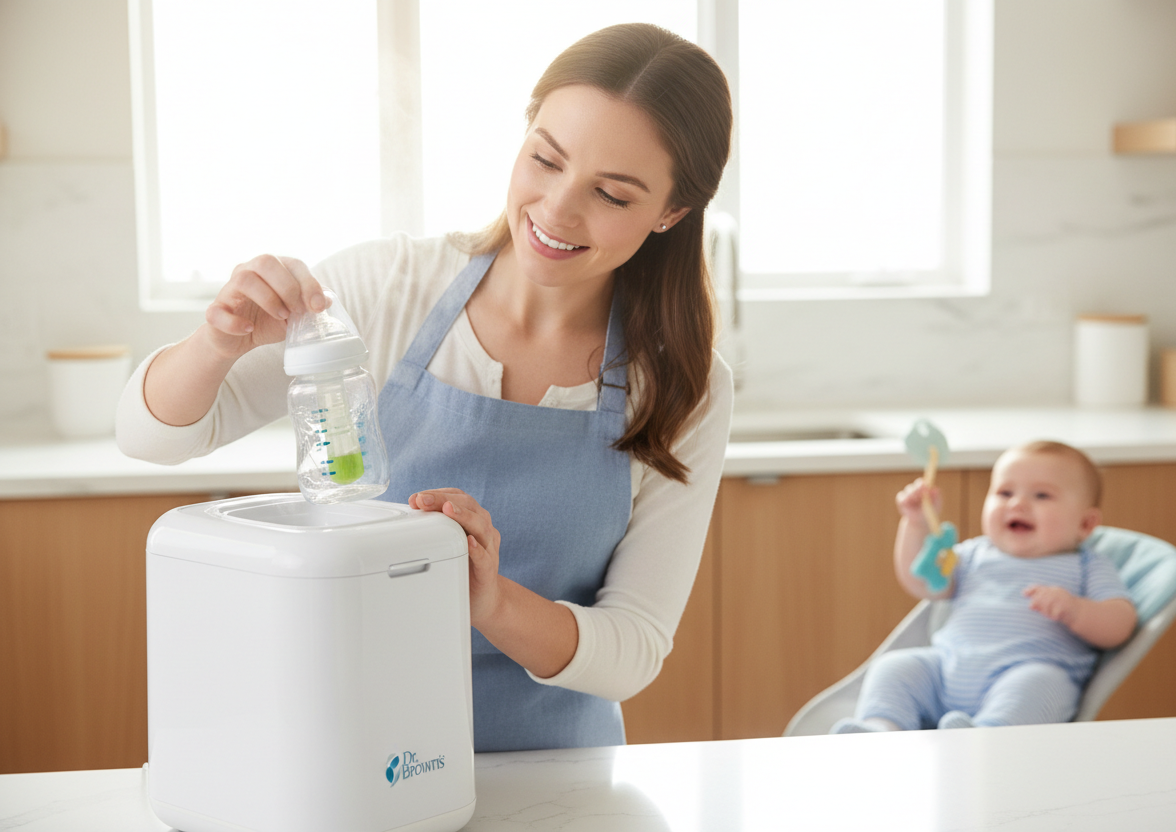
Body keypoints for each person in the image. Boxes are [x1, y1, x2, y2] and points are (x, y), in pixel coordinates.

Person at [116, 23, 734, 753]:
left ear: (671, 213)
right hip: (348, 751)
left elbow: (632, 648)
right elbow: (150, 438)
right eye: (545, 158)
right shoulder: (388, 290)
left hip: (550, 777)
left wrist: (490, 601)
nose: (557, 210)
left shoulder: (682, 385)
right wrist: (216, 341)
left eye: (611, 194)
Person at [832, 440, 1138, 733]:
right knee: (895, 667)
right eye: (1004, 492)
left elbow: (1120, 625)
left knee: (1042, 684)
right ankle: (883, 727)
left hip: (1023, 672)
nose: (1017, 503)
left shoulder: (1087, 565)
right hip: (946, 672)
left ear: (1085, 524)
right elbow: (923, 582)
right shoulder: (972, 555)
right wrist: (916, 524)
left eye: (1042, 496)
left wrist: (1076, 610)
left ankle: (987, 735)